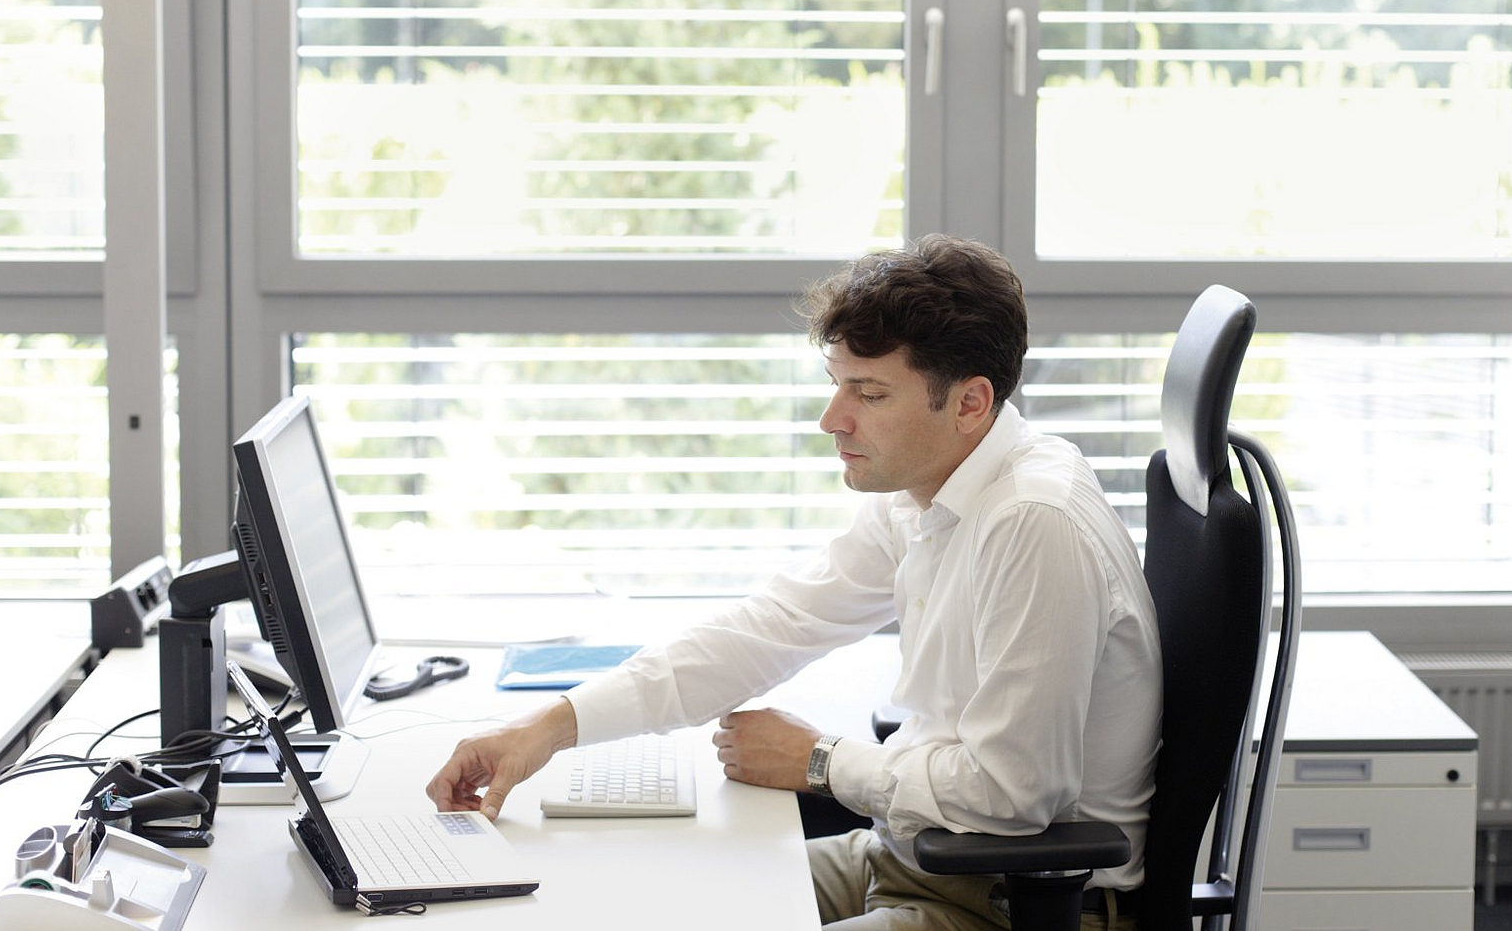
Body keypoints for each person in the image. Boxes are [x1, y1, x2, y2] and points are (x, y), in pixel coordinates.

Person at [426, 235, 1162, 930]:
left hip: (1007, 902)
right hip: (909, 859)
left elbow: (1011, 798)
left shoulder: (1033, 524)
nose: (830, 419)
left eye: (869, 395)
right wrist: (545, 730)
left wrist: (819, 762)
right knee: (636, 899)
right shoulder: (929, 491)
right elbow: (769, 628)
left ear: (969, 404)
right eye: (837, 385)